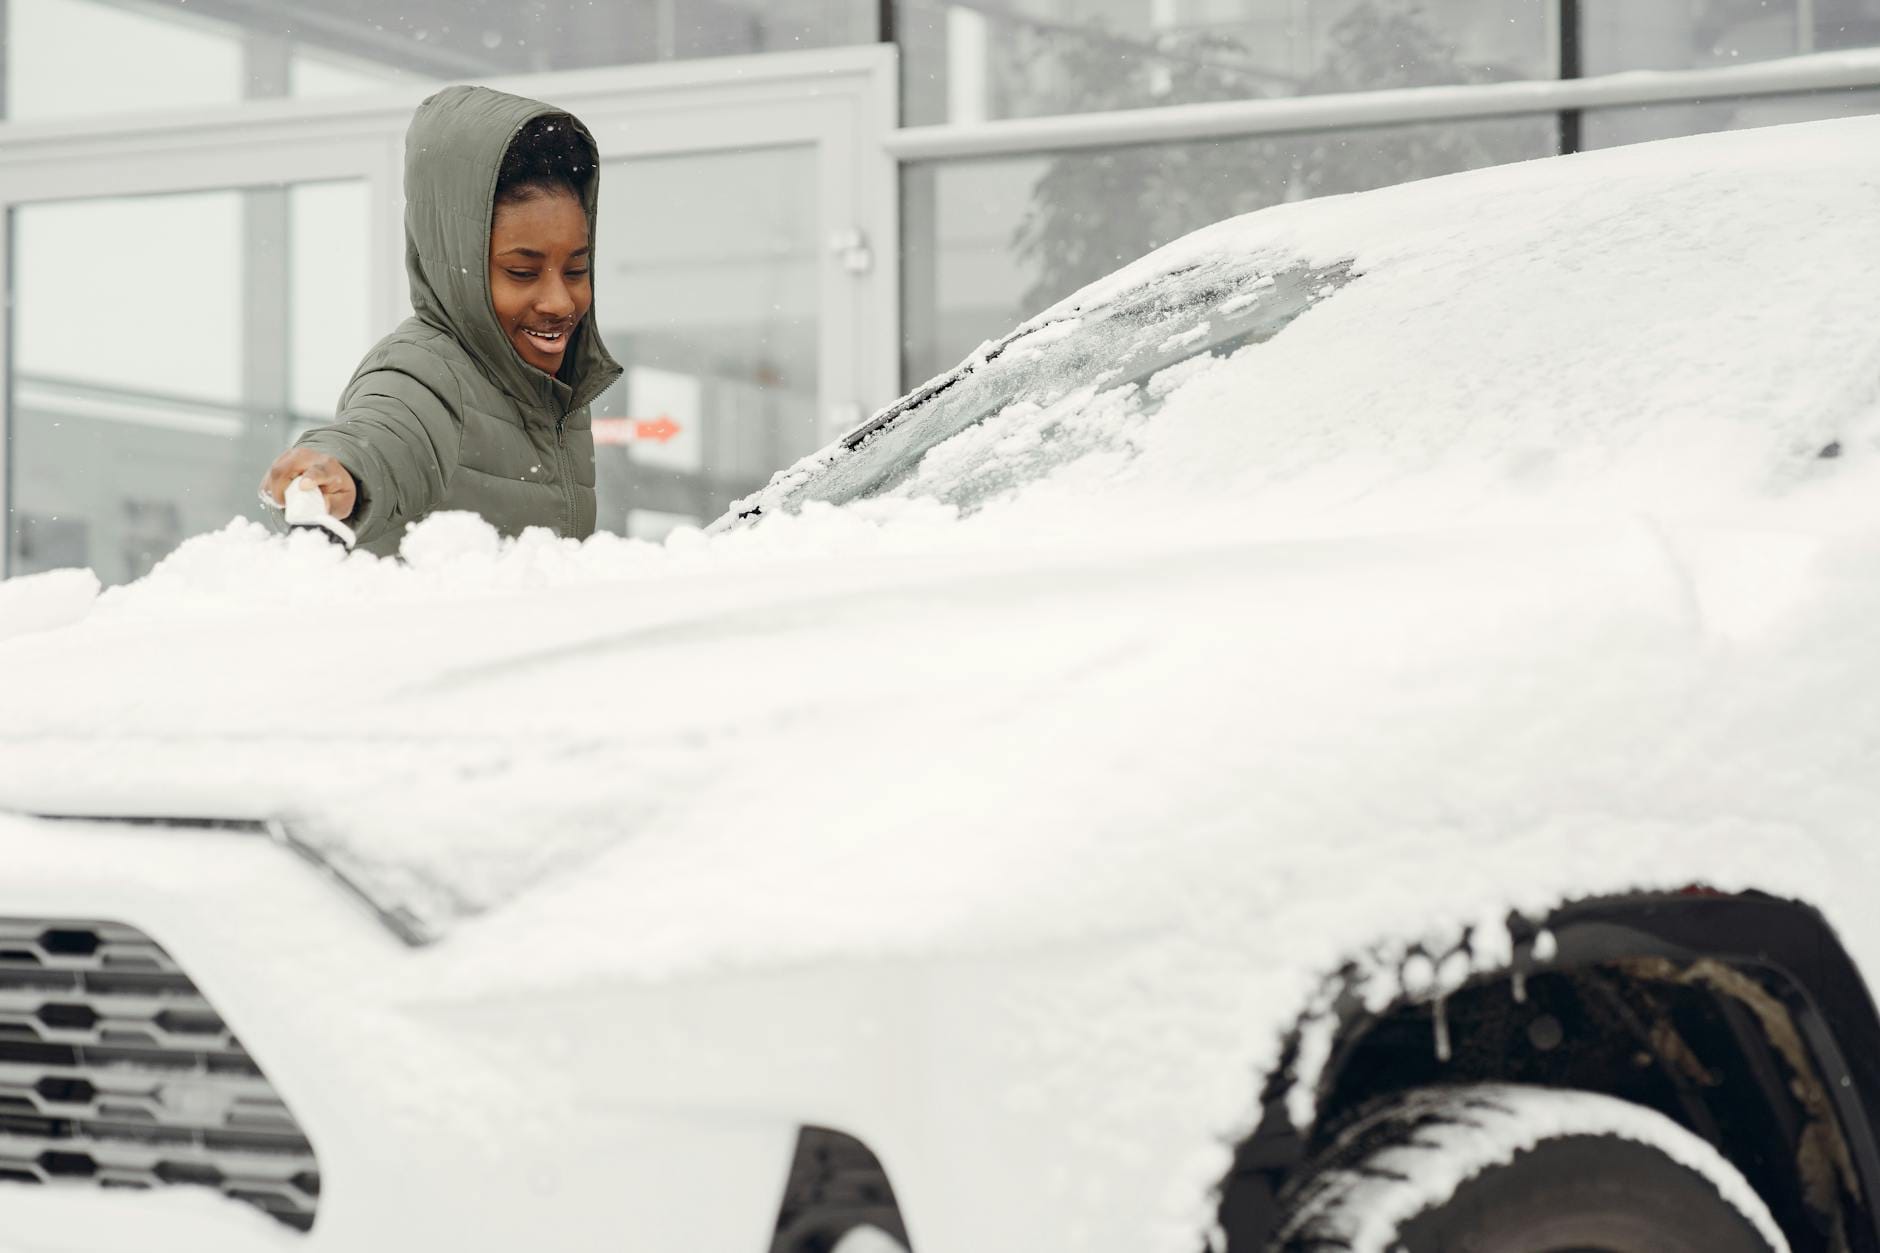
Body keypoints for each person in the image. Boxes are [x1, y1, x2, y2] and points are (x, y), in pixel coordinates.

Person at [259, 85, 621, 555]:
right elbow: (386, 430)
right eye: (522, 272)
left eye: (576, 269)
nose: (558, 301)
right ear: (457, 264)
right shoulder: (425, 369)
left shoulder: (547, 393)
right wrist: (339, 467)